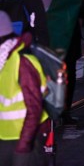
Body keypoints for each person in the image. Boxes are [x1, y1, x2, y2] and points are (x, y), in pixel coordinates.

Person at [0, 10, 51, 166]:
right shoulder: (4, 60)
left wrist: (24, 145)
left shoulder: (22, 61)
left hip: (26, 140)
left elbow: (34, 107)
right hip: (7, 138)